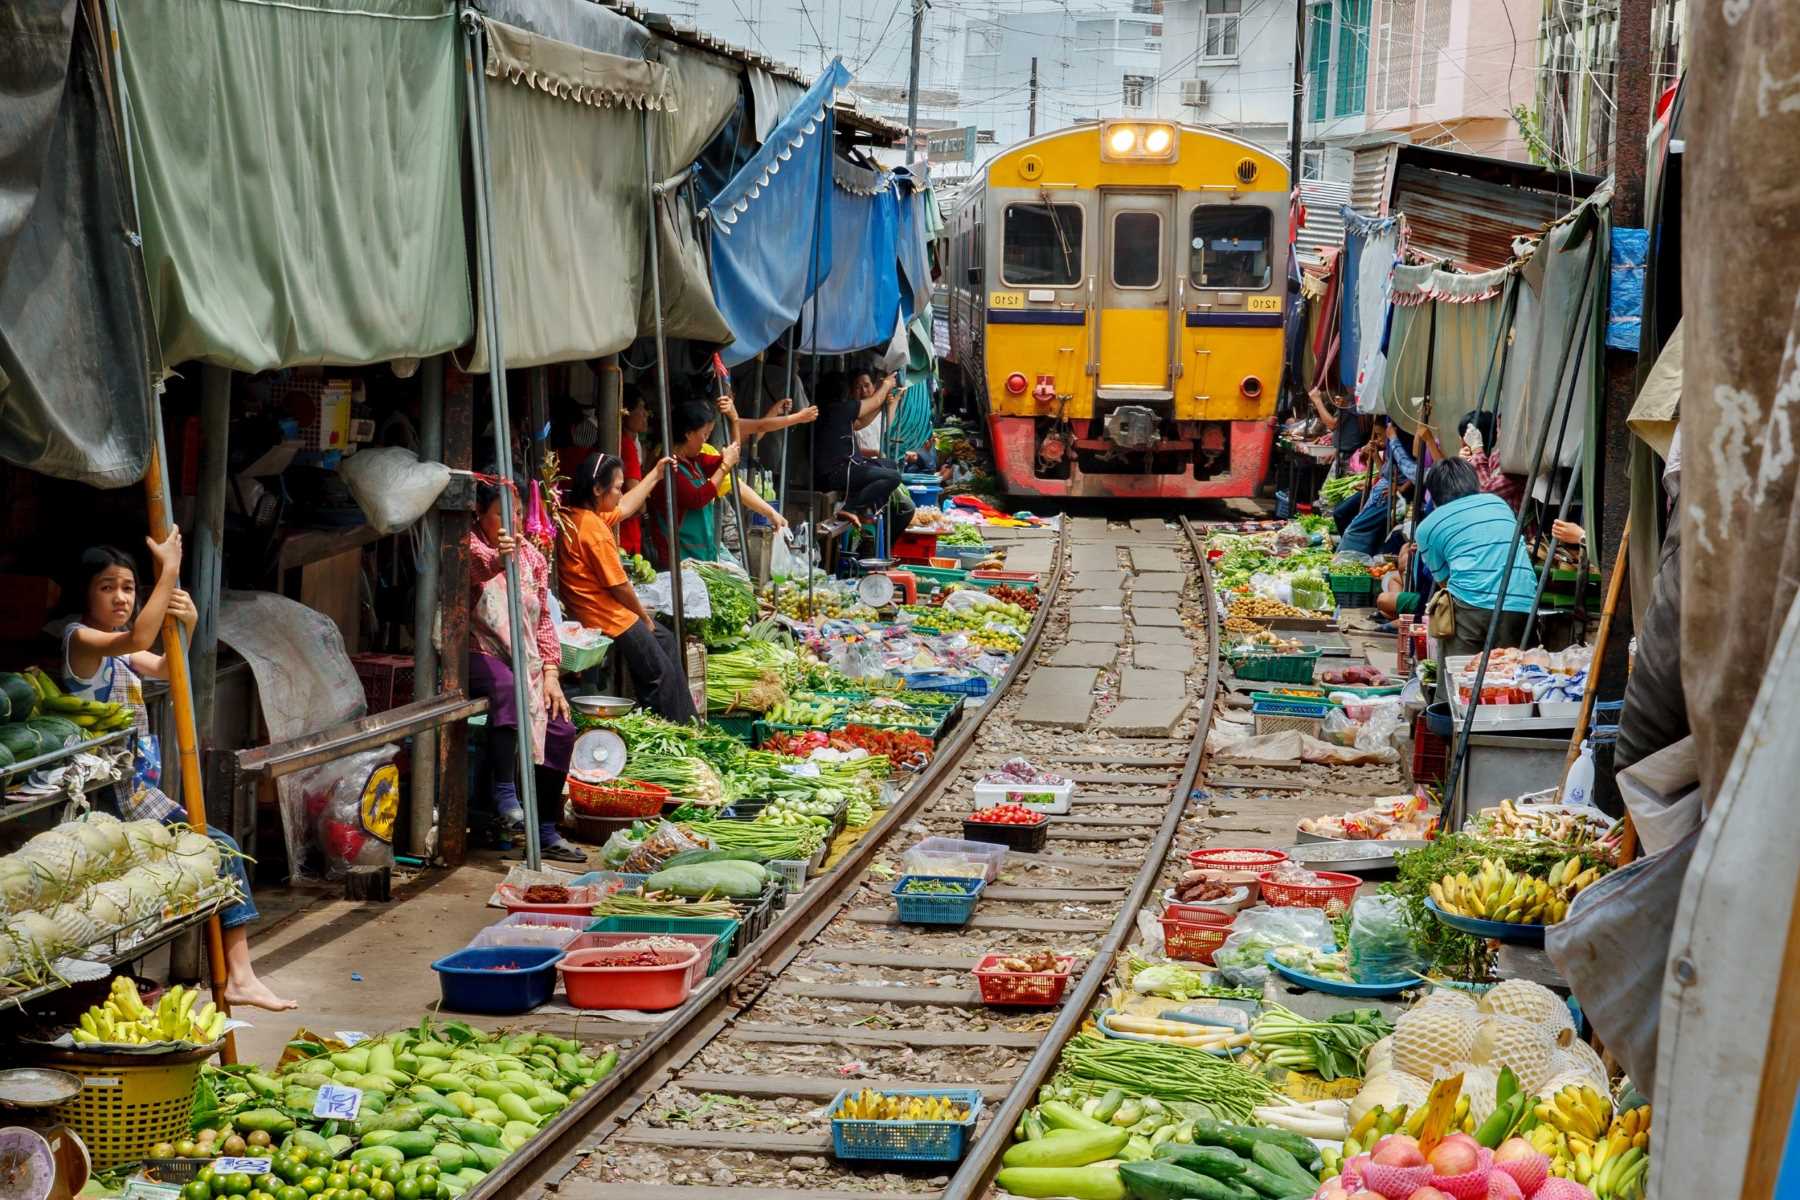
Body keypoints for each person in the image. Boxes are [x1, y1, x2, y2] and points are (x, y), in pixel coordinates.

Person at [57, 537, 295, 1011]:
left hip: (135, 797)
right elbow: (139, 639)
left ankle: (241, 975)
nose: (122, 598)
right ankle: (240, 976)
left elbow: (165, 665)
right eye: (108, 588)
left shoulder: (121, 654)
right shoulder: (80, 640)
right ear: (84, 595)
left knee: (219, 850)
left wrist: (186, 624)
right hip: (102, 805)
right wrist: (168, 572)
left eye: (129, 588)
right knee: (220, 848)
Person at [468, 478, 583, 863]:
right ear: (480, 515)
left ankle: (547, 830)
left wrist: (551, 672)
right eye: (502, 514)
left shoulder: (533, 557)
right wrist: (499, 558)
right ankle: (505, 792)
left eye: (517, 513)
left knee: (561, 727)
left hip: (529, 658)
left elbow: (545, 620)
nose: (512, 523)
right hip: (477, 651)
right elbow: (478, 569)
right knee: (505, 687)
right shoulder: (467, 546)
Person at [558, 453, 698, 724]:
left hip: (607, 612)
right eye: (618, 487)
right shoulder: (593, 530)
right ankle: (673, 731)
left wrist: (656, 474)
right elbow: (619, 586)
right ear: (598, 489)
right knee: (660, 675)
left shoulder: (577, 515)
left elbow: (624, 508)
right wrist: (644, 617)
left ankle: (688, 722)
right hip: (607, 619)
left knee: (666, 641)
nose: (621, 494)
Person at [1412, 458, 1539, 658]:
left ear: (1434, 494)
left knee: (1459, 674)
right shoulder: (1498, 503)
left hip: (1473, 603)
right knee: (1511, 674)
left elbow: (1443, 581)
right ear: (1474, 484)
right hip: (1524, 600)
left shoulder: (1427, 527)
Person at [648, 399, 742, 567]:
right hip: (677, 560)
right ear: (688, 433)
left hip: (700, 556)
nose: (705, 441)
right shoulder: (669, 467)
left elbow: (732, 456)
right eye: (704, 434)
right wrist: (725, 465)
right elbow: (697, 498)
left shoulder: (695, 461)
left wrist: (734, 421)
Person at [813, 370, 903, 525]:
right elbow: (874, 402)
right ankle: (851, 508)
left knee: (891, 465)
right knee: (894, 476)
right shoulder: (839, 409)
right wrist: (887, 385)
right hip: (837, 473)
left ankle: (865, 508)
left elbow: (860, 423)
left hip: (843, 468)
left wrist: (883, 402)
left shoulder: (832, 410)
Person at [618, 391, 653, 558]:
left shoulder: (633, 444)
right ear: (626, 412)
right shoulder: (626, 445)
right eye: (641, 408)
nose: (646, 413)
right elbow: (638, 502)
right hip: (626, 535)